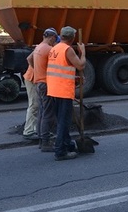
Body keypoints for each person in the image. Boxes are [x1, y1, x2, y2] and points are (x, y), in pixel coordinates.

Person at [47, 26, 86, 161]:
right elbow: (80, 65)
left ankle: (67, 144)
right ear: (72, 38)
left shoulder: (55, 48)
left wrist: (76, 78)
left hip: (54, 88)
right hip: (63, 90)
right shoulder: (67, 49)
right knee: (64, 121)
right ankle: (60, 151)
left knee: (62, 119)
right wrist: (83, 52)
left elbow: (61, 68)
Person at [25, 28, 59, 150]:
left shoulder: (38, 47)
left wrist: (38, 70)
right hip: (46, 84)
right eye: (55, 39)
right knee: (48, 114)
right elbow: (57, 66)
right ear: (52, 37)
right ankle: (45, 142)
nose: (54, 42)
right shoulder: (49, 49)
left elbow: (29, 59)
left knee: (42, 111)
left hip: (38, 83)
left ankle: (41, 138)